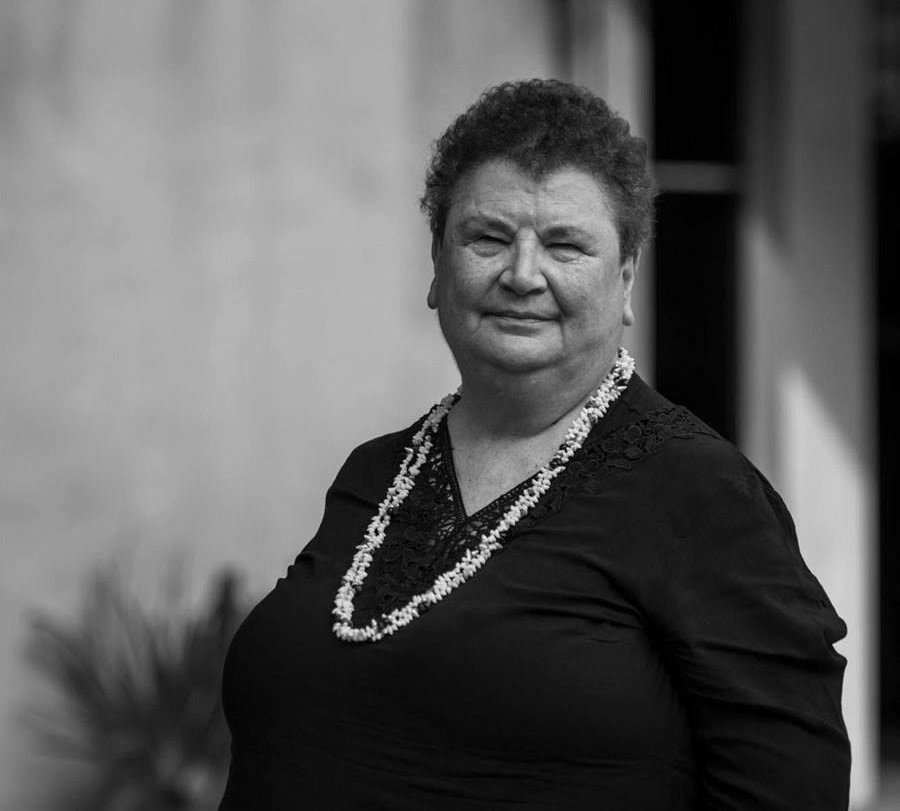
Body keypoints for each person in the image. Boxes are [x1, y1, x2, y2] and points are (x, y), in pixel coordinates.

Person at [217, 80, 850, 810]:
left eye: (565, 245)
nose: (521, 275)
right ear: (437, 265)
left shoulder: (700, 493)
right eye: (487, 238)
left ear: (626, 280)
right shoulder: (376, 473)